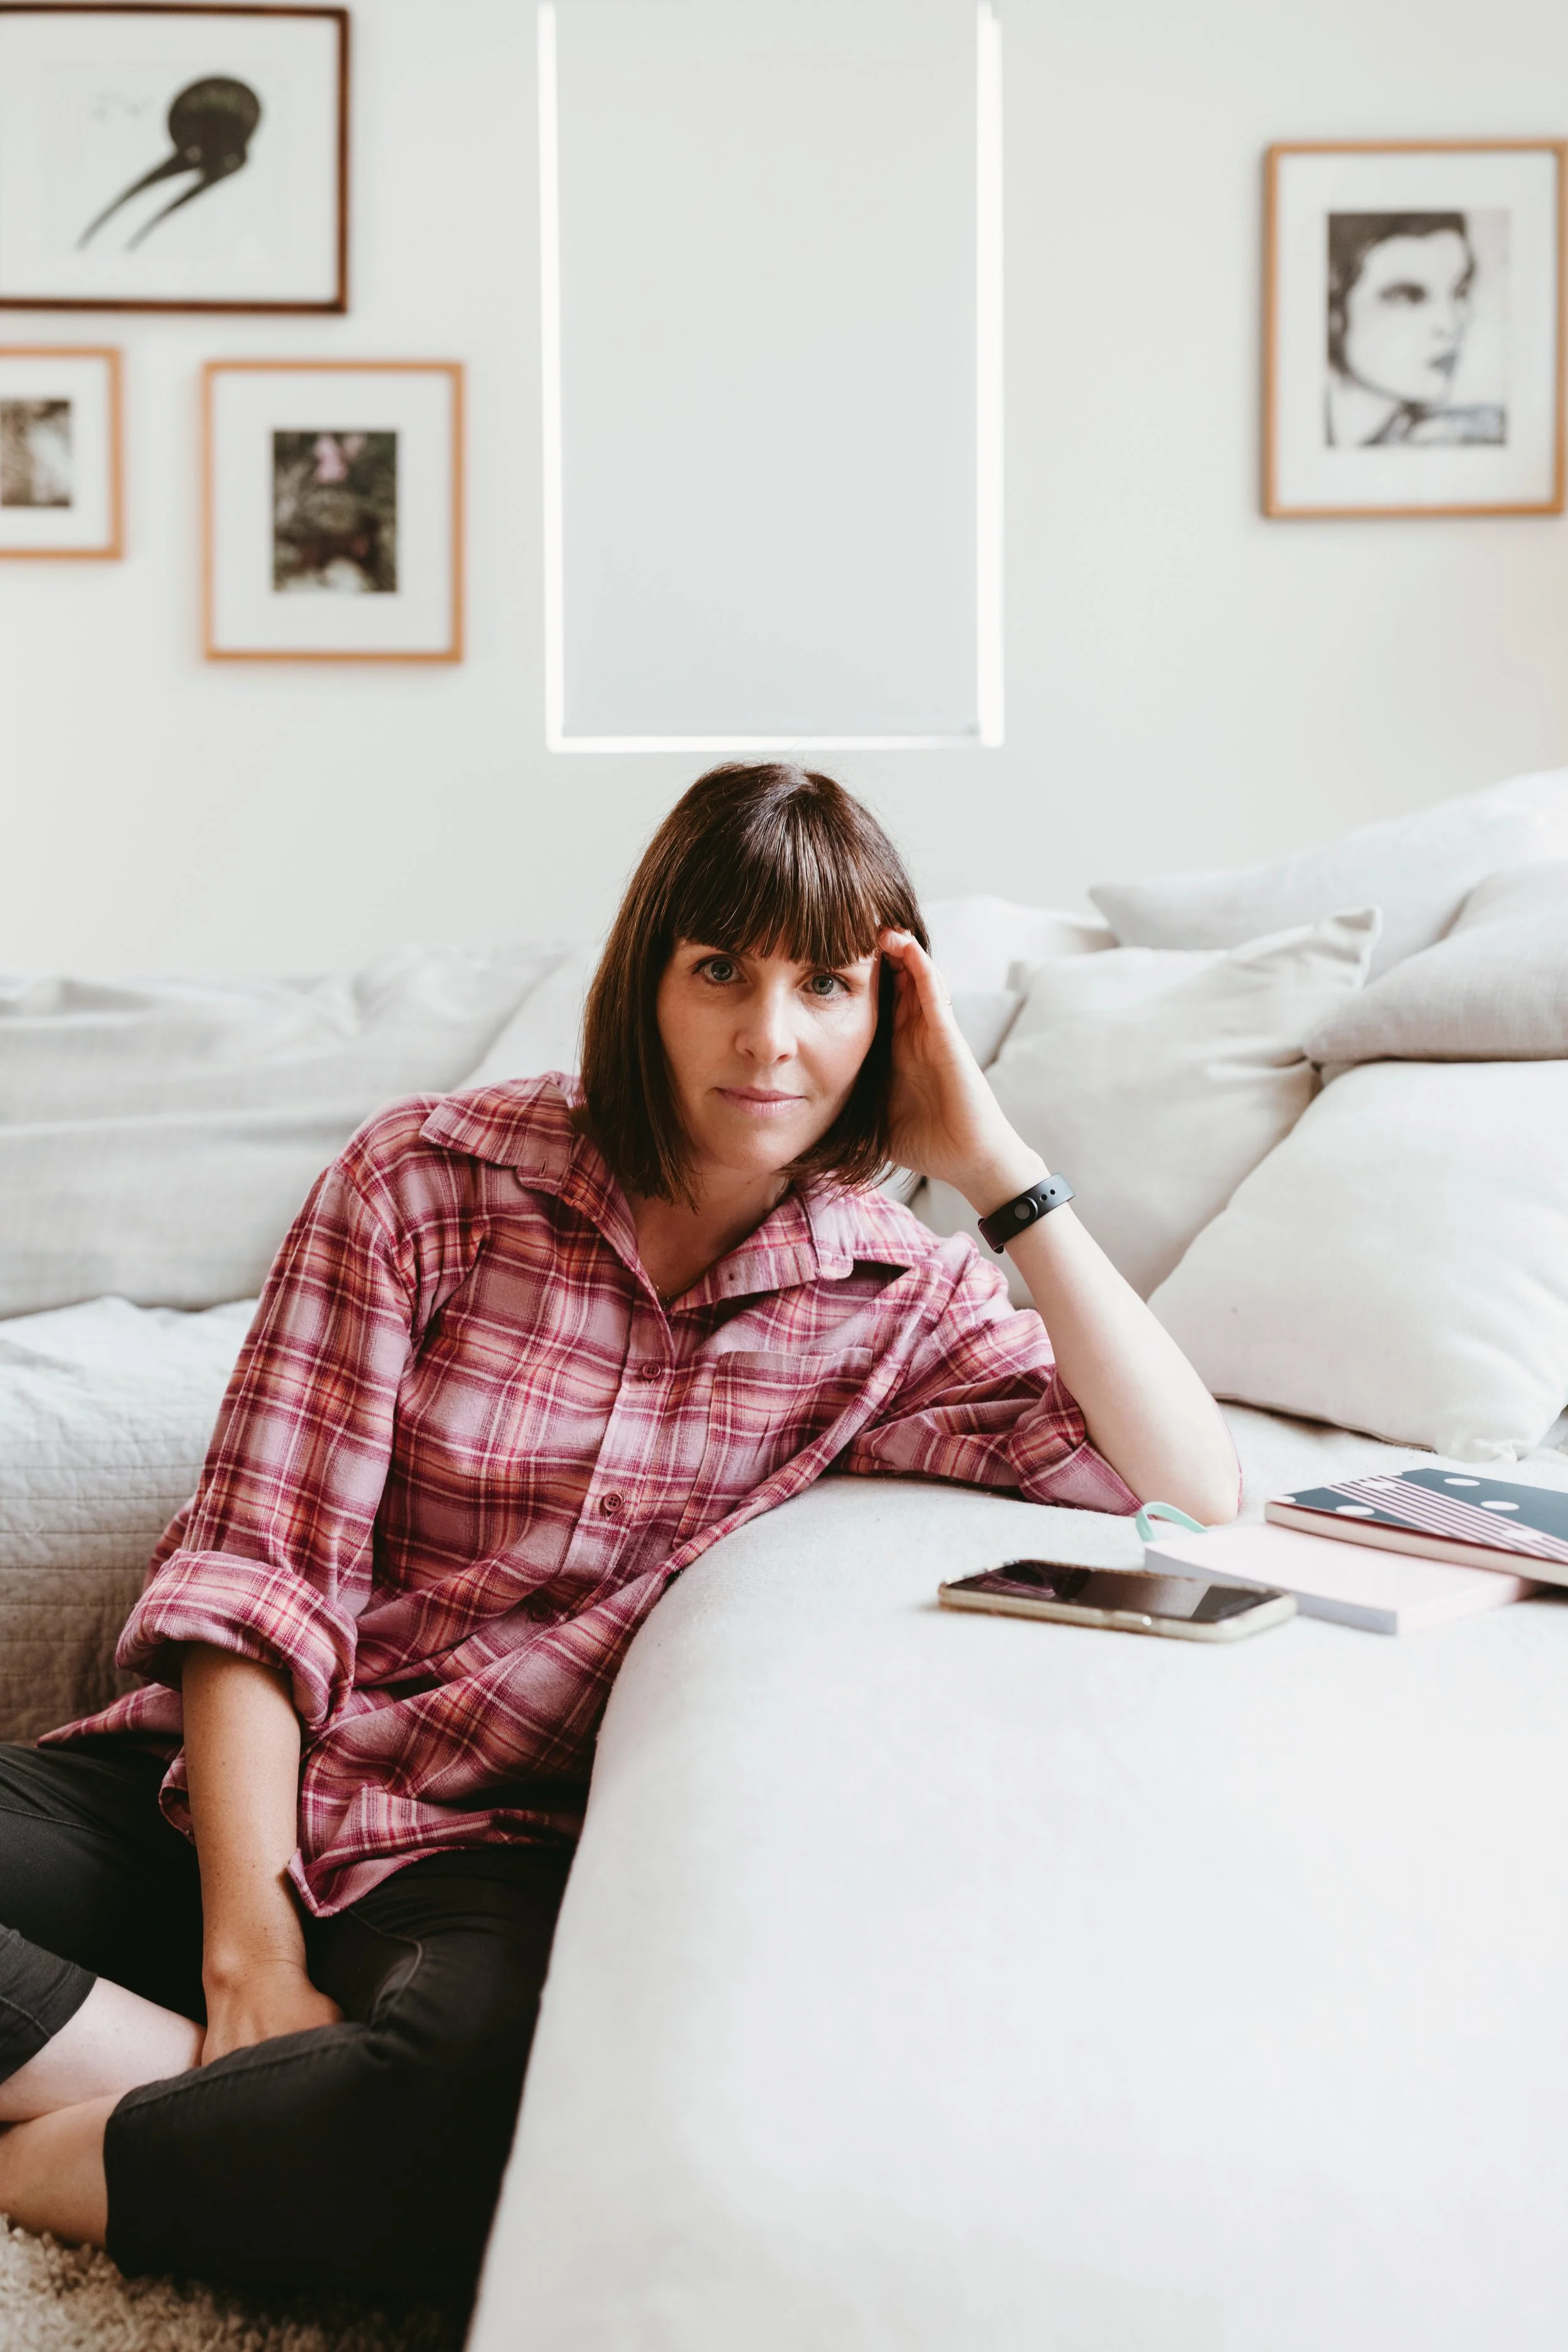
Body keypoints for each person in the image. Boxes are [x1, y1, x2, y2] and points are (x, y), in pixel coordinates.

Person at [0, 765, 1238, 2294]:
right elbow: (264, 1572)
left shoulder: (895, 1299)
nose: (767, 1034)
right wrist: (246, 1963)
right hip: (226, 1783)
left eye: (825, 983)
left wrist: (993, 1165)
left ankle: (43, 2149)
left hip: (482, 1848)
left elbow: (1190, 1493)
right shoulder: (429, 1180)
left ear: (890, 1017)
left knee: (480, 2127)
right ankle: (219, 2100)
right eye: (719, 967)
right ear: (646, 975)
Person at [1325, 210, 1505, 448]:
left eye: (1459, 291)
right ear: (1332, 310)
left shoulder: (1474, 439)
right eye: (1409, 296)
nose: (1451, 324)